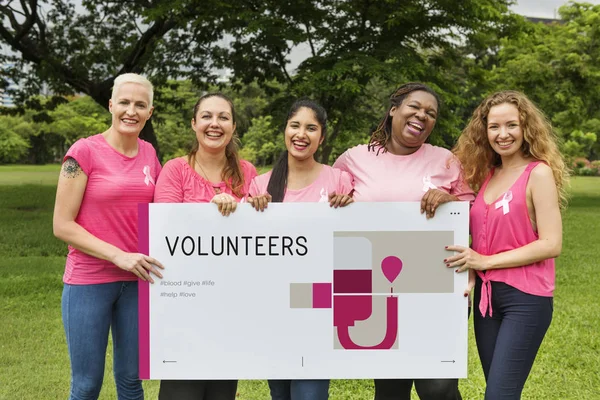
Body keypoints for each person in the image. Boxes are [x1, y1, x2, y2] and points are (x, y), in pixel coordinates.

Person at [333, 82, 475, 400]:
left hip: (438, 288)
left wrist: (450, 199)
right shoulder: (354, 159)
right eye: (414, 106)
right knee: (390, 389)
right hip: (379, 294)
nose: (422, 115)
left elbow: (472, 218)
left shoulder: (446, 161)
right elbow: (327, 204)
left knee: (438, 388)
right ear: (394, 109)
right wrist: (337, 202)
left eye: (431, 113)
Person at [448, 90, 568, 400]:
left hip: (526, 299)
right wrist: (472, 271)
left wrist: (484, 262)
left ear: (525, 127)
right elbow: (483, 238)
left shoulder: (537, 173)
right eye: (494, 126)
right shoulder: (488, 174)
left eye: (511, 125)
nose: (503, 134)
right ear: (484, 130)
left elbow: (551, 243)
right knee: (500, 393)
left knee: (498, 395)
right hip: (488, 301)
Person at [53, 73, 164, 400]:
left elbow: (165, 210)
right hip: (89, 282)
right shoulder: (84, 152)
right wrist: (118, 255)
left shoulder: (149, 155)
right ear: (111, 105)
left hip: (138, 282)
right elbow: (62, 224)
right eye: (125, 102)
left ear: (150, 112)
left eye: (140, 105)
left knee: (131, 384)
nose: (132, 111)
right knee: (87, 385)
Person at [154, 92, 258, 399]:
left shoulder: (248, 172)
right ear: (194, 124)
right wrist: (208, 212)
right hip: (184, 300)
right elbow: (164, 228)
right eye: (207, 116)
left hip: (230, 302)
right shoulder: (175, 169)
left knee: (222, 391)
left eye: (223, 117)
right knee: (181, 389)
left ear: (233, 126)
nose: (215, 124)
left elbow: (258, 233)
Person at [248, 99, 354, 400]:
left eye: (311, 128)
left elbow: (356, 240)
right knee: (279, 394)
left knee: (310, 394)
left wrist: (352, 208)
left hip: (321, 306)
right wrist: (250, 213)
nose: (301, 134)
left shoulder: (340, 181)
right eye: (295, 125)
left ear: (321, 136)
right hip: (273, 307)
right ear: (285, 129)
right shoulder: (260, 186)